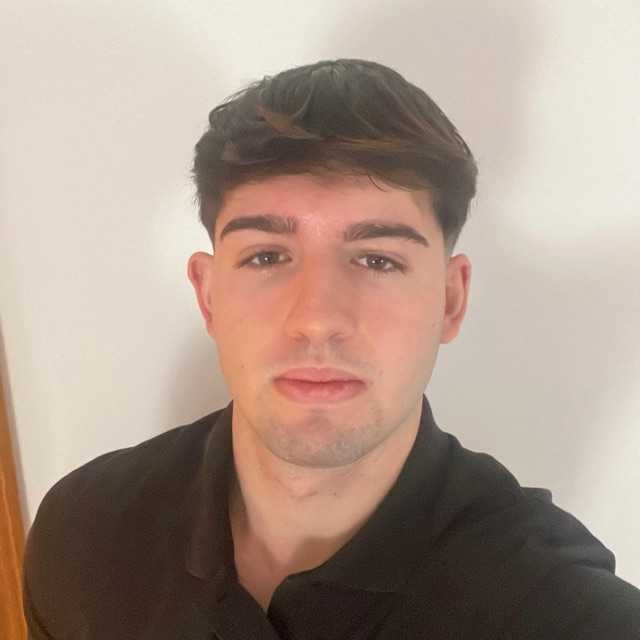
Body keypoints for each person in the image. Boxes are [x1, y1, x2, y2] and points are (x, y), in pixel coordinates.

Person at [22, 58, 640, 639]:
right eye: (267, 256)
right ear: (208, 296)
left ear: (450, 300)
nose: (317, 321)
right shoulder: (81, 535)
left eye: (378, 260)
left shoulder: (564, 612)